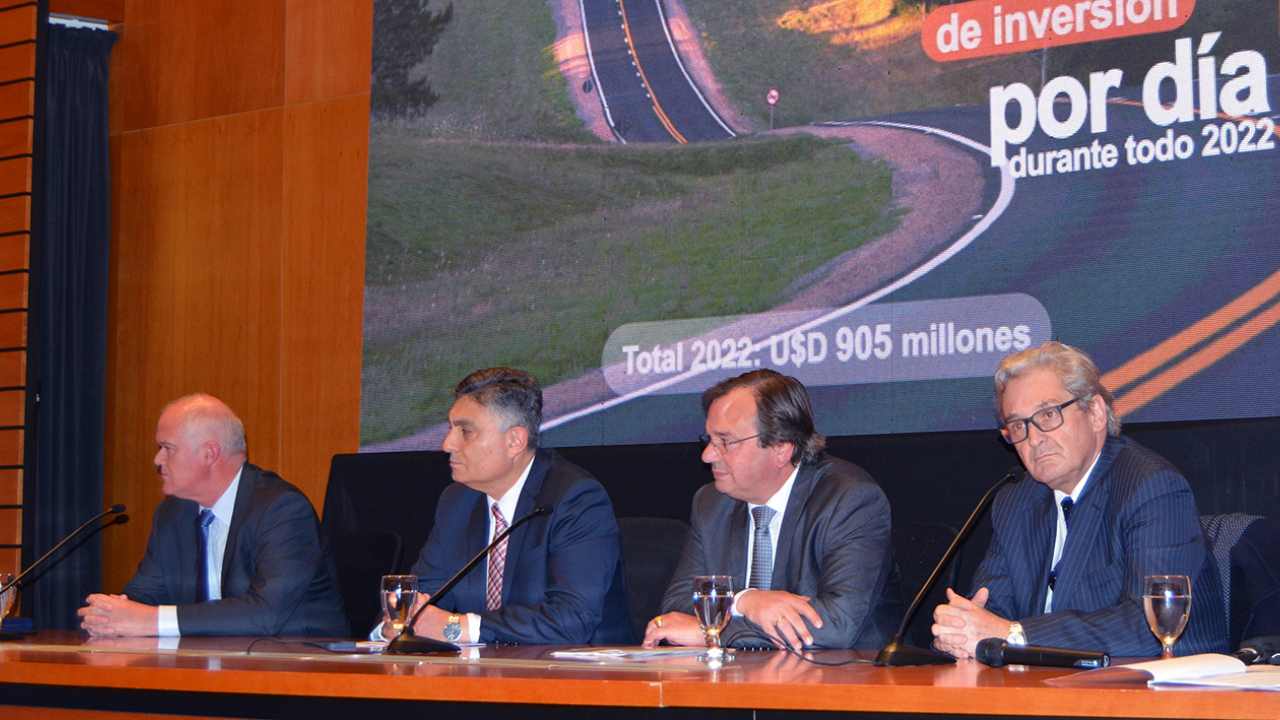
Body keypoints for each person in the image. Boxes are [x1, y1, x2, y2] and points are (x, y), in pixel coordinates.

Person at [932, 341, 1227, 657]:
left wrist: (1013, 634)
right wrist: (961, 631)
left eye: (1048, 414)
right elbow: (991, 611)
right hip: (1045, 682)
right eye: (1017, 425)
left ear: (1096, 413)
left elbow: (1145, 626)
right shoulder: (1015, 501)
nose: (1034, 439)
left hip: (1164, 679)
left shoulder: (1150, 487)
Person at [643, 369, 902, 651]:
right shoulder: (712, 503)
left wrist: (715, 633)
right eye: (709, 440)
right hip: (748, 673)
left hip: (850, 672)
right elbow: (677, 605)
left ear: (781, 448)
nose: (707, 455)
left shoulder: (849, 499)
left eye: (725, 442)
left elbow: (838, 623)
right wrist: (745, 601)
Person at [385, 367, 632, 645]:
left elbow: (573, 618)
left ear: (514, 441)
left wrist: (458, 627)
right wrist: (401, 623)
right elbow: (421, 599)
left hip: (576, 668)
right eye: (450, 428)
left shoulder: (575, 498)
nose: (447, 444)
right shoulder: (457, 502)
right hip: (483, 667)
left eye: (466, 431)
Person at [78, 394, 349, 637]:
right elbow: (147, 592)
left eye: (167, 448)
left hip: (296, 664)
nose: (157, 459)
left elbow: (266, 612)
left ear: (210, 453)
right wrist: (112, 615)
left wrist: (152, 621)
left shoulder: (282, 509)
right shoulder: (172, 513)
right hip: (207, 662)